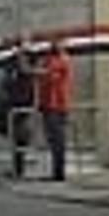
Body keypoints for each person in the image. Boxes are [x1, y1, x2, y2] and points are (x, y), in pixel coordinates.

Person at [0, 44, 37, 178]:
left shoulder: (27, 73)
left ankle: (19, 168)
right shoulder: (13, 70)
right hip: (12, 107)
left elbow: (28, 76)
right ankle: (18, 167)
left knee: (19, 136)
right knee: (11, 133)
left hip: (21, 106)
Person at [36, 38, 73, 182]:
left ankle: (59, 172)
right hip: (49, 104)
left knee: (58, 140)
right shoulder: (50, 59)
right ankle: (56, 171)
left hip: (57, 105)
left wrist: (37, 71)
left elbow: (50, 76)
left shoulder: (62, 60)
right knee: (53, 140)